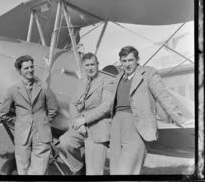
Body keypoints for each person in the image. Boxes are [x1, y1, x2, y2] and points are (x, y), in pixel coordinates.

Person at [72, 46, 194, 175]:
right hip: (116, 126)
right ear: (120, 62)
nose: (128, 64)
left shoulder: (148, 73)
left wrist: (179, 118)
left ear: (137, 60)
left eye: (131, 60)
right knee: (115, 170)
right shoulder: (118, 77)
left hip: (136, 125)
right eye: (124, 61)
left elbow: (163, 96)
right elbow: (107, 104)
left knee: (127, 171)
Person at [0, 55, 58, 175]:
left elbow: (53, 109)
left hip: (41, 134)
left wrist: (44, 121)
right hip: (22, 136)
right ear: (19, 71)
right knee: (23, 170)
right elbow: (2, 114)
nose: (30, 70)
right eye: (26, 68)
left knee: (39, 171)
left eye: (31, 67)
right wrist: (18, 122)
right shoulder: (13, 90)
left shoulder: (44, 87)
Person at [59, 52, 114, 175]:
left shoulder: (107, 81)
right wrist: (77, 122)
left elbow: (107, 106)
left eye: (92, 64)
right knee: (65, 141)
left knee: (94, 172)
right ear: (83, 67)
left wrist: (84, 119)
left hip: (98, 129)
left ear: (98, 65)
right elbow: (73, 103)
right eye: (87, 65)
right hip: (82, 128)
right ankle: (79, 169)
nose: (90, 68)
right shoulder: (83, 82)